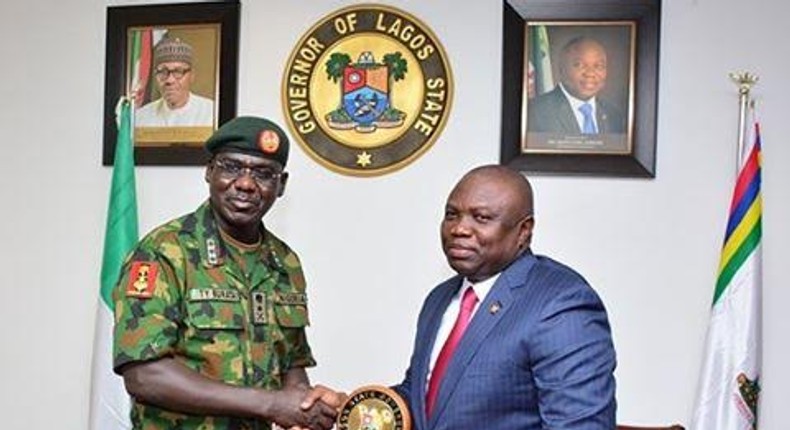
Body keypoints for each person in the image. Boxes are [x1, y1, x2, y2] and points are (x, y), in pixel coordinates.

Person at [113, 116, 344, 430]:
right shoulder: (164, 252)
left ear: (281, 185)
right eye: (232, 167)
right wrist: (272, 404)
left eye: (264, 173)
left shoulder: (285, 262)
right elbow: (144, 376)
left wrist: (313, 406)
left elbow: (291, 366)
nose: (246, 184)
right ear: (209, 172)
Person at [393, 165, 617, 429]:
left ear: (523, 231)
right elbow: (424, 398)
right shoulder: (439, 299)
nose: (459, 229)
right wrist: (357, 408)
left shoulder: (561, 303)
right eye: (452, 215)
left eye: (482, 217)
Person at [528, 36, 625, 135]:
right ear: (562, 69)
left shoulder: (614, 115)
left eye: (599, 66)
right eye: (579, 65)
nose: (590, 73)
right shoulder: (534, 112)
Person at [135, 37, 215, 127]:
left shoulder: (211, 113)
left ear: (191, 76)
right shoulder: (141, 117)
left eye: (178, 71)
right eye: (163, 72)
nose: (170, 80)